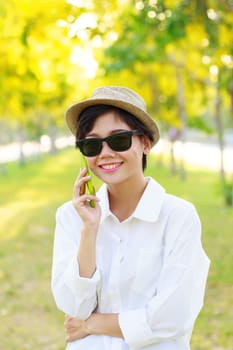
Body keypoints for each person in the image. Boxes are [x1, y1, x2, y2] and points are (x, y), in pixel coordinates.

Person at [51, 86, 210, 350]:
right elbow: (73, 307)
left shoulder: (179, 217)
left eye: (119, 139)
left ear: (145, 143)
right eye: (91, 144)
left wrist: (91, 325)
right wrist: (89, 230)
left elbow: (174, 317)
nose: (105, 153)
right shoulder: (71, 217)